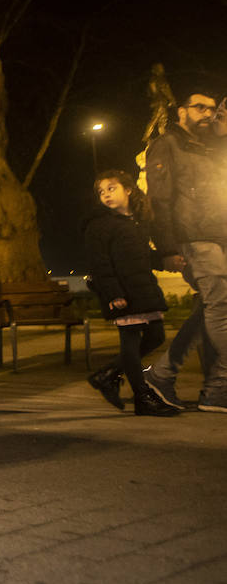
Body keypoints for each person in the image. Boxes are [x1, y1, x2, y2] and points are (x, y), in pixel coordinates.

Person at [143, 87, 227, 412]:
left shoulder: (207, 148)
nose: (207, 114)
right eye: (199, 108)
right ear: (182, 111)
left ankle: (162, 376)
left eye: (212, 109)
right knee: (220, 305)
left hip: (217, 236)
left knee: (210, 308)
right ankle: (219, 390)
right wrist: (166, 247)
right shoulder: (167, 144)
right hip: (194, 238)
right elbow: (158, 201)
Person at [82, 170, 177, 416]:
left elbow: (140, 255)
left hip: (142, 286)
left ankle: (109, 374)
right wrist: (114, 293)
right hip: (122, 292)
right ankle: (142, 398)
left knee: (156, 336)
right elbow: (99, 264)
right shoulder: (99, 225)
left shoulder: (136, 221)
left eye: (111, 188)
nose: (106, 194)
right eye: (101, 191)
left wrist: (165, 260)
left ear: (129, 190)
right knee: (131, 342)